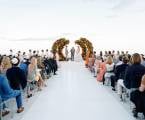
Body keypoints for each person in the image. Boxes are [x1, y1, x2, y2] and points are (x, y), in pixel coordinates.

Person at [124, 53, 145, 117]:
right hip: (143, 89)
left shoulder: (129, 68)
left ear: (132, 59)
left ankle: (134, 108)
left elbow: (126, 80)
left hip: (133, 88)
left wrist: (128, 86)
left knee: (131, 91)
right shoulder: (143, 68)